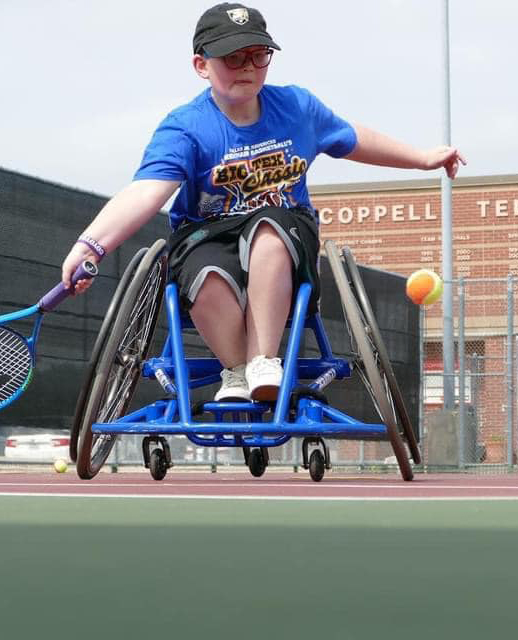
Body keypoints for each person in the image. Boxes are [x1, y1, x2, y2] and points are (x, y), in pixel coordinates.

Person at [61, 2, 465, 403]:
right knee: (206, 276)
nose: (249, 67)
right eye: (234, 58)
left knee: (268, 228)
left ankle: (262, 362)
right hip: (207, 234)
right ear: (202, 65)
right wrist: (90, 245)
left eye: (258, 56)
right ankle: (237, 370)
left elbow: (351, 137)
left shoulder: (295, 107)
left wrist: (422, 158)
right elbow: (146, 192)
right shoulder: (185, 127)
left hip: (284, 229)